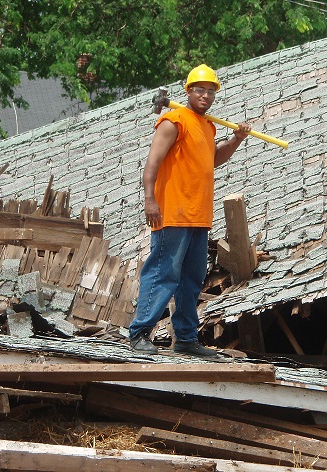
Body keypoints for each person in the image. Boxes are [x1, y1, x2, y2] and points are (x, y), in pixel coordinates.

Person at [127, 64, 251, 357]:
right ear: (189, 91)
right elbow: (152, 163)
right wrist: (150, 199)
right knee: (162, 273)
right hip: (172, 213)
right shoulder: (174, 121)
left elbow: (212, 160)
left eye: (211, 91)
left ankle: (185, 337)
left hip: (198, 216)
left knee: (192, 278)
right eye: (200, 90)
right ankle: (139, 333)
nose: (205, 96)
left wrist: (235, 140)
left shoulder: (207, 126)